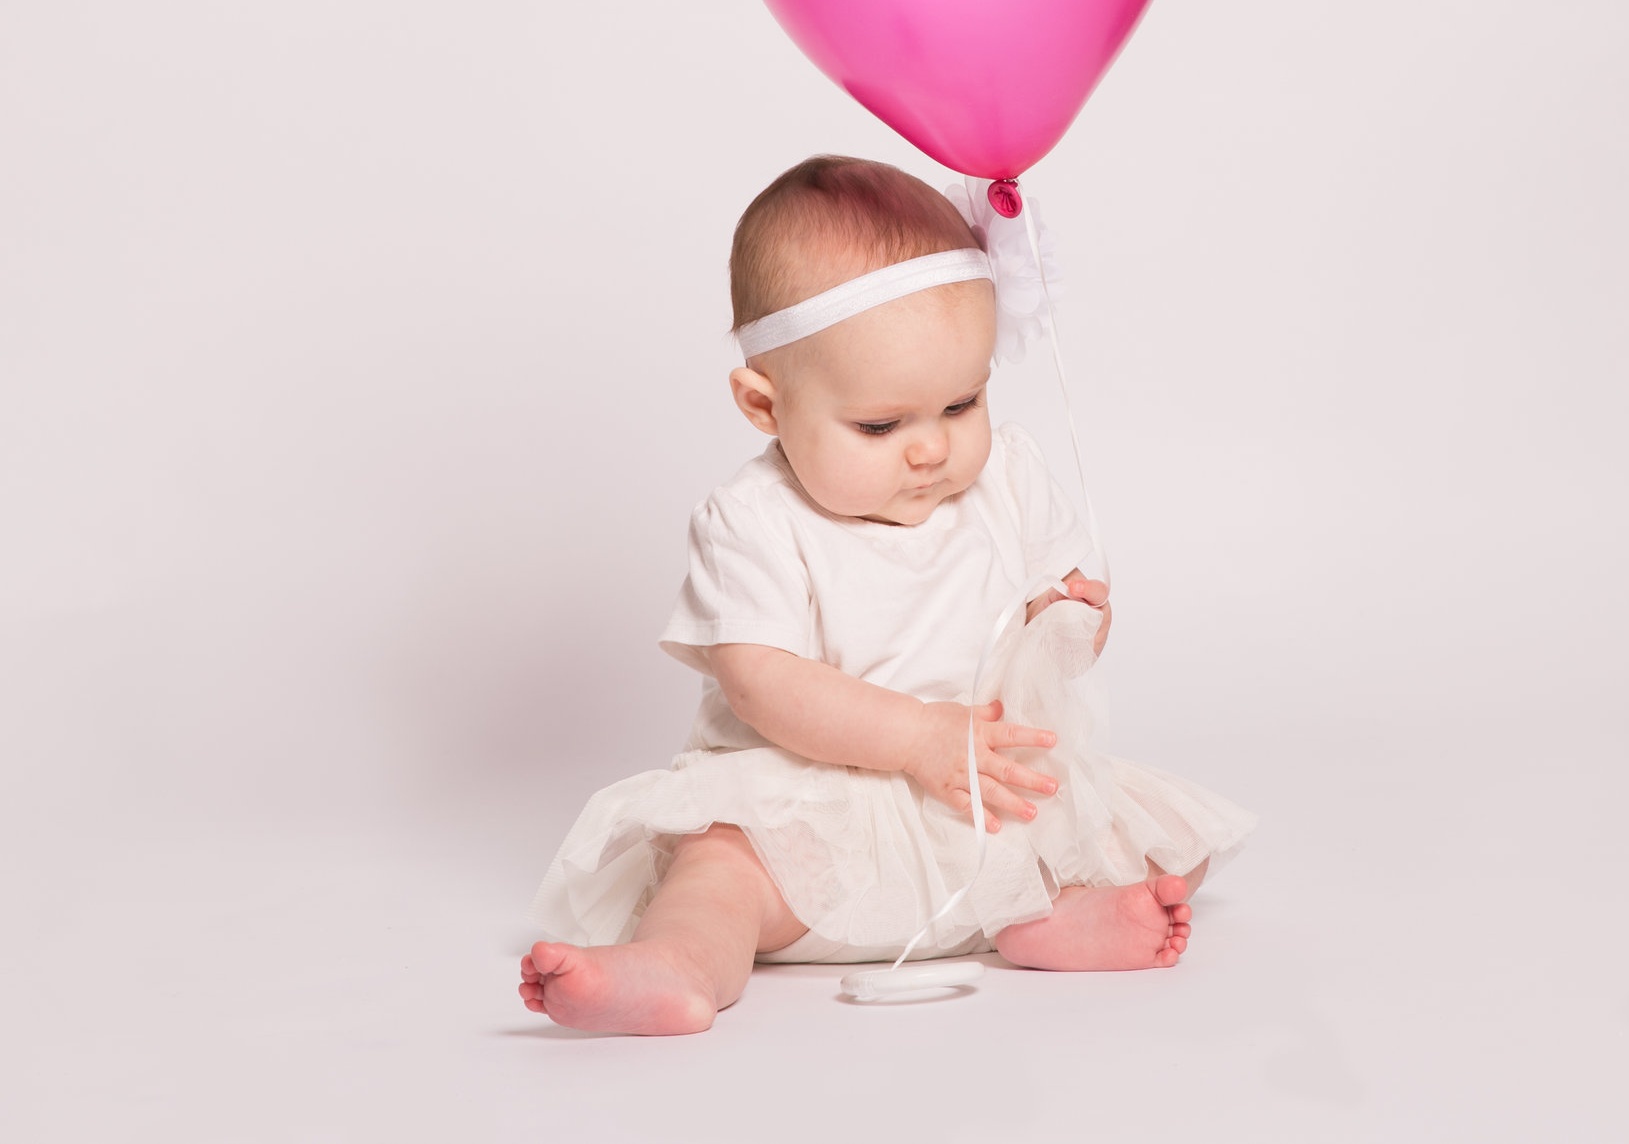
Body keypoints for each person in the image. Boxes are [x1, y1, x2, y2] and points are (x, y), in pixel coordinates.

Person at [520, 155, 1254, 1034]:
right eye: (880, 424)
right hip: (813, 822)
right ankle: (679, 965)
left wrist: (1068, 620)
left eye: (960, 403)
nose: (931, 450)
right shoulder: (754, 519)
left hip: (981, 797)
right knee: (720, 869)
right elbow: (760, 679)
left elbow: (1049, 635)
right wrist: (912, 737)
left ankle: (1044, 920)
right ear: (764, 404)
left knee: (1157, 838)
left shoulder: (1008, 476)